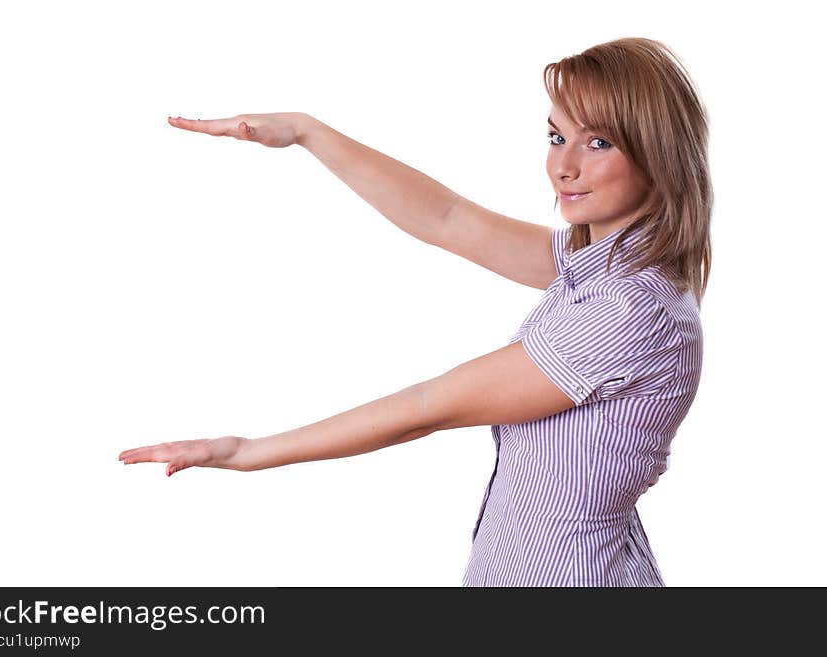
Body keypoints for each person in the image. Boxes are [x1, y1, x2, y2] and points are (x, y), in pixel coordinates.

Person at [118, 36, 711, 587]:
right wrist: (308, 133)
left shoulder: (628, 310)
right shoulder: (601, 264)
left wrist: (247, 451)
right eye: (557, 137)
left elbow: (426, 408)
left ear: (658, 154)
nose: (564, 165)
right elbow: (446, 219)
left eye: (598, 142)